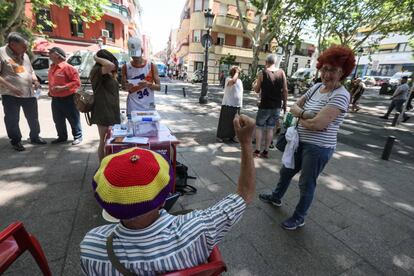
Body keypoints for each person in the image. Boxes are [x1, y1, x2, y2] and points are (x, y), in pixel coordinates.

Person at [80, 114, 256, 275]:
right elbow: (245, 194)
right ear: (164, 198)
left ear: (109, 208)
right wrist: (246, 142)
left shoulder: (91, 248)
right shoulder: (199, 229)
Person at [259, 45, 355, 230]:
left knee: (306, 183)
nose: (326, 74)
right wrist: (308, 115)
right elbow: (296, 107)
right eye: (324, 69)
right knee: (286, 171)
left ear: (343, 72)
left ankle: (299, 217)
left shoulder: (341, 96)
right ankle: (276, 197)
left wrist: (302, 115)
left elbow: (318, 125)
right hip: (299, 141)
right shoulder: (317, 87)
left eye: (333, 70)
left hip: (318, 148)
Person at [0, 32, 47, 151]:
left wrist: (35, 81)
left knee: (33, 117)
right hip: (10, 94)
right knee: (12, 119)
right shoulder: (1, 53)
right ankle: (16, 141)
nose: (26, 49)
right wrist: (11, 87)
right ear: (12, 44)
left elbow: (30, 71)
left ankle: (35, 136)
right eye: (23, 46)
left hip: (29, 92)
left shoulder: (24, 54)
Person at [253, 54, 288, 158]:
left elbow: (257, 89)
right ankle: (266, 151)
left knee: (259, 127)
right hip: (276, 106)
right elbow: (285, 90)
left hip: (264, 105)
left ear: (266, 62)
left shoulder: (262, 73)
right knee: (270, 128)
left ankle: (257, 150)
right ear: (275, 62)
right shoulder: (282, 73)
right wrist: (285, 104)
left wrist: (254, 84)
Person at [47, 47, 82, 145]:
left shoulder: (68, 67)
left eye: (51, 52)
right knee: (58, 119)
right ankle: (62, 137)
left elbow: (77, 82)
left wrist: (63, 88)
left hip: (69, 98)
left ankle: (78, 136)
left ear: (58, 55)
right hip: (55, 99)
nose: (49, 54)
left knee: (73, 118)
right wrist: (51, 91)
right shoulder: (52, 67)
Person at [90, 49, 120, 162]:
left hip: (112, 110)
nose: (113, 64)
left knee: (111, 139)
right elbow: (110, 65)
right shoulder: (97, 71)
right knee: (103, 140)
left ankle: (111, 163)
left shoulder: (106, 72)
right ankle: (102, 166)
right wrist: (96, 57)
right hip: (103, 110)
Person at [122, 37, 161, 114]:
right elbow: (123, 87)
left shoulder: (151, 66)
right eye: (133, 56)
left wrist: (148, 84)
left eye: (137, 55)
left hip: (148, 106)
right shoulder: (126, 67)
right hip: (132, 106)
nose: (135, 58)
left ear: (142, 51)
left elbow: (159, 87)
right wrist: (126, 87)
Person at [216, 66, 243, 143]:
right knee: (225, 121)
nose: (238, 73)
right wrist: (237, 71)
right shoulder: (228, 79)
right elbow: (233, 82)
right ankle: (220, 135)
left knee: (235, 121)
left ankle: (233, 136)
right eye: (237, 72)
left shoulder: (240, 81)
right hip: (228, 103)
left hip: (237, 104)